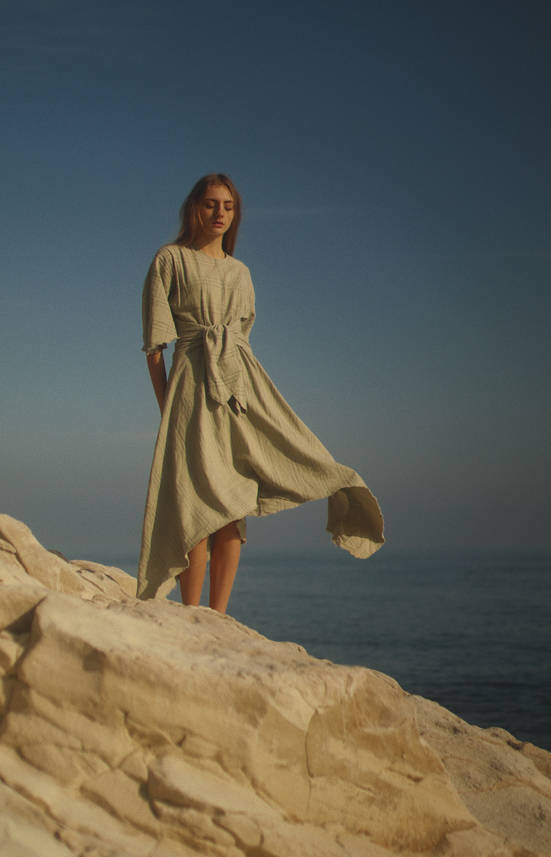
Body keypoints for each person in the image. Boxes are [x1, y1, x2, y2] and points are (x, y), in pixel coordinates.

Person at [138, 173, 384, 612]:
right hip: (191, 388)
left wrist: (245, 393)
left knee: (234, 500)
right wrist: (167, 408)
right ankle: (191, 613)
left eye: (228, 207)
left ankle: (219, 616)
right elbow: (156, 348)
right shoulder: (170, 260)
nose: (219, 214)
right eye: (212, 204)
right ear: (195, 207)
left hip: (238, 388)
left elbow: (242, 340)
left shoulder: (240, 273)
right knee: (195, 498)